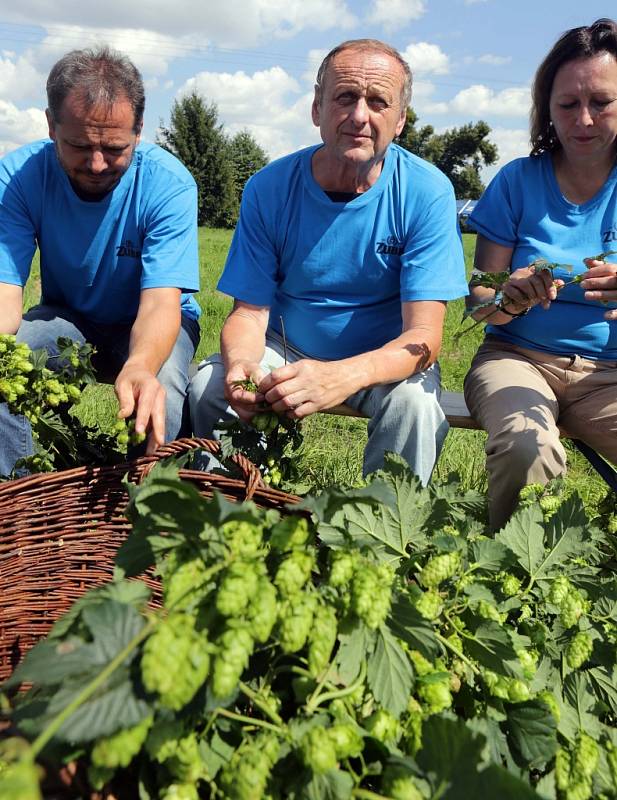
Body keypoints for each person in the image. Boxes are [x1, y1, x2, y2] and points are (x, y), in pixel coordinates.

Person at [189, 39, 467, 483]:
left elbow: (424, 337)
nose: (360, 116)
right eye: (345, 97)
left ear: (400, 121)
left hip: (385, 358)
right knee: (210, 387)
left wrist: (340, 377)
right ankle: (229, 519)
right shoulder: (269, 187)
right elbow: (249, 312)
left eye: (378, 102)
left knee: (414, 406)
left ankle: (384, 535)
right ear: (317, 109)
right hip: (284, 349)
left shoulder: (426, 192)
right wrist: (242, 362)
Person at [0, 46, 200, 475]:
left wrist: (141, 367)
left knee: (159, 384)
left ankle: (146, 508)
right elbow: (4, 291)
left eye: (113, 148)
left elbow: (161, 301)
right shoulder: (17, 177)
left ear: (140, 129)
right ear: (51, 125)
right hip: (70, 318)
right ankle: (23, 500)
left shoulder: (168, 183)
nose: (96, 164)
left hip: (153, 320)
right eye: (78, 145)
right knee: (5, 361)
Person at [464, 18, 617, 530]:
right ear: (546, 108)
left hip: (610, 374)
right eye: (568, 105)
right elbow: (478, 303)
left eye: (602, 102)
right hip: (518, 359)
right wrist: (508, 296)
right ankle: (511, 570)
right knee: (526, 446)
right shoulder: (515, 182)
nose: (585, 120)